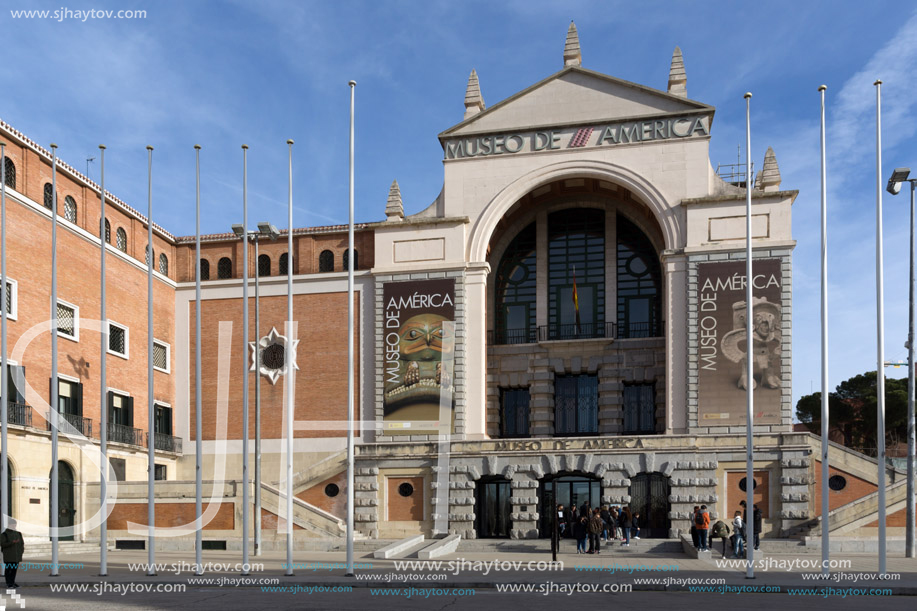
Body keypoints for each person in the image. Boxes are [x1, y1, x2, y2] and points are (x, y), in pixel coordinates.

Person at [1, 519, 23, 589]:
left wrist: (21, 552)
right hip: (9, 556)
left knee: (14, 570)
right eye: (12, 524)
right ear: (8, 525)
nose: (14, 526)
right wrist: (12, 542)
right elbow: (2, 544)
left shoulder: (18, 533)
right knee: (8, 570)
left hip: (16, 556)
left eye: (15, 524)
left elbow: (22, 544)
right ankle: (9, 583)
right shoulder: (4, 534)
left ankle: (12, 582)